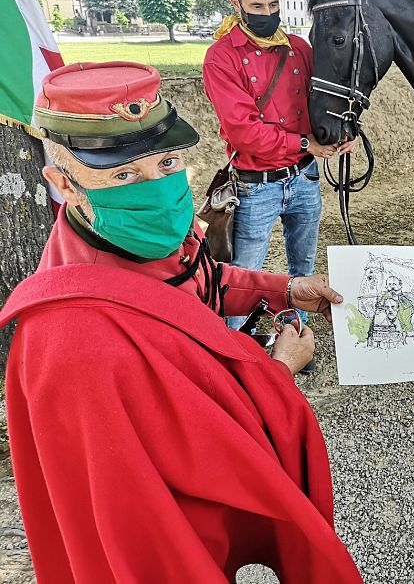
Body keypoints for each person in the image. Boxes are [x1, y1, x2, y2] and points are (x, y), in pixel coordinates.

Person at [0, 61, 362, 583]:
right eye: (123, 174)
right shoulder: (78, 341)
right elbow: (209, 451)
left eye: (167, 161)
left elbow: (200, 278)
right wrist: (279, 370)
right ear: (64, 184)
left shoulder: (128, 234)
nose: (155, 187)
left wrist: (284, 288)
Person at [202, 0, 356, 341]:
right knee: (243, 276)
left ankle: (293, 338)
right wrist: (307, 143)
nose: (268, 15)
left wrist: (339, 133)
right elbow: (244, 133)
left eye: (273, 5)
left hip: (304, 177)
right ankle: (235, 351)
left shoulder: (300, 48)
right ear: (235, 3)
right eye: (257, 7)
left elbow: (322, 101)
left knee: (302, 269)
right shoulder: (222, 57)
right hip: (256, 185)